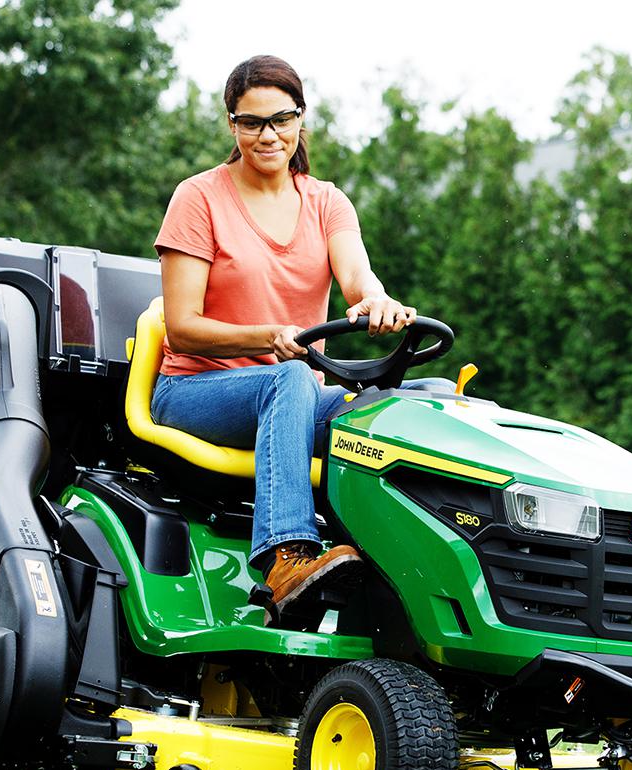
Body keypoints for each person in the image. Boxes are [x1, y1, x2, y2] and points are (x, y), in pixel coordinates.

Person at [152, 55, 441, 619]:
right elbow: (183, 328)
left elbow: (357, 276)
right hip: (196, 391)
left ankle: (411, 575)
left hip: (294, 396)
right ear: (231, 125)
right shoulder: (199, 198)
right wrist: (265, 336)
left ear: (300, 120)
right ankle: (287, 557)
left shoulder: (326, 202)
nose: (268, 134)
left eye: (281, 119)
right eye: (252, 122)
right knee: (288, 378)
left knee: (413, 407)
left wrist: (376, 301)